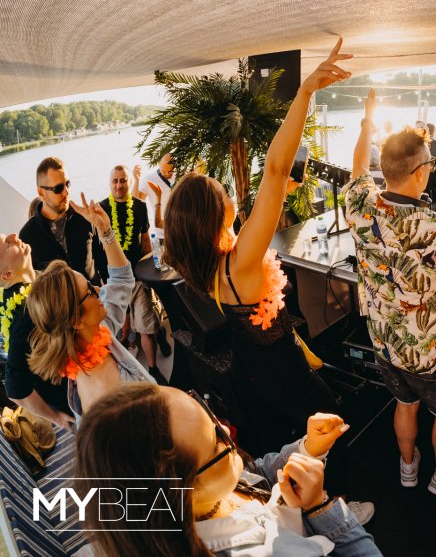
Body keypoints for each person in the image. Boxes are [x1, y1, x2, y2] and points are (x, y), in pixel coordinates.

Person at [164, 39, 350, 444]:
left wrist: (280, 193)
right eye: (221, 190)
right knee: (330, 429)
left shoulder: (212, 263)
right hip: (287, 374)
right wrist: (305, 92)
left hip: (255, 373)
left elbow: (271, 192)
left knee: (294, 440)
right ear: (214, 214)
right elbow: (275, 169)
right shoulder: (241, 262)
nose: (227, 191)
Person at [345, 89, 436, 496]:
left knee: (404, 404)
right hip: (431, 351)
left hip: (385, 343)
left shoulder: (360, 207)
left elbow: (357, 168)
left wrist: (367, 121)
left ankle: (408, 468)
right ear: (421, 172)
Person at [75, 383, 382, 556]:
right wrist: (321, 508)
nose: (225, 429)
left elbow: (253, 475)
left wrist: (308, 448)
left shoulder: (209, 490)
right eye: (216, 443)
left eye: (210, 417)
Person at [26, 193, 154, 419]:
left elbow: (121, 280)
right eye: (90, 292)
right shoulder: (103, 396)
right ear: (76, 320)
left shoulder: (99, 331)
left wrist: (105, 231)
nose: (99, 289)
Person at [100, 165, 167, 383]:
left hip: (138, 278)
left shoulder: (139, 206)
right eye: (115, 180)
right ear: (110, 183)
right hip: (114, 282)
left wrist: (151, 274)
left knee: (146, 326)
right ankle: (160, 335)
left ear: (130, 182)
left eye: (123, 180)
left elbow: (146, 241)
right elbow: (97, 251)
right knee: (122, 329)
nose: (119, 185)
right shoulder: (102, 210)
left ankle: (153, 369)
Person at [0, 232, 73, 429]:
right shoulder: (26, 312)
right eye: (7, 244)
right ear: (7, 275)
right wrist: (56, 418)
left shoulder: (22, 290)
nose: (14, 236)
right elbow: (15, 389)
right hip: (72, 393)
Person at [19, 156, 107, 284]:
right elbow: (31, 284)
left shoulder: (84, 217)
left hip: (96, 295)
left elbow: (104, 263)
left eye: (67, 184)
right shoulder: (27, 236)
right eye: (59, 188)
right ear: (41, 193)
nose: (66, 192)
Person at [134, 152, 176, 236]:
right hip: (163, 233)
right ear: (158, 163)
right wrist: (136, 180)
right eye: (164, 171)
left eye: (170, 171)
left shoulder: (182, 175)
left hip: (183, 230)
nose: (167, 173)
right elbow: (136, 201)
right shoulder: (150, 179)